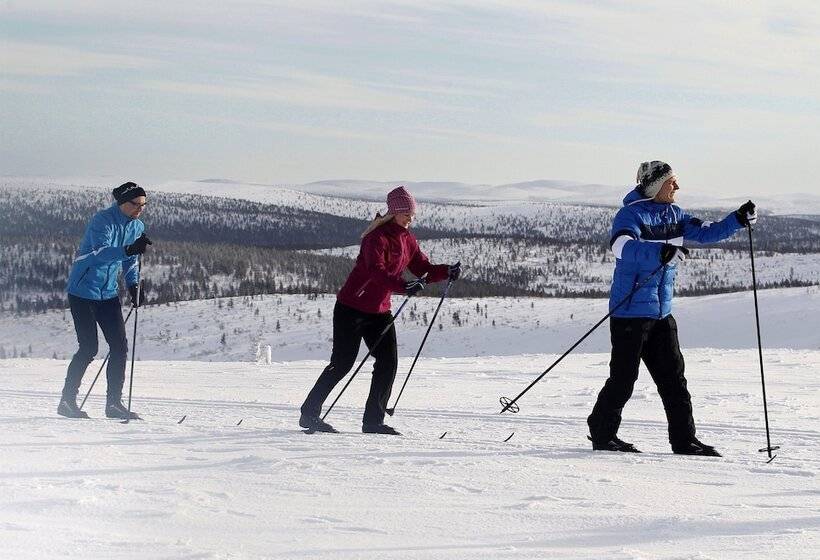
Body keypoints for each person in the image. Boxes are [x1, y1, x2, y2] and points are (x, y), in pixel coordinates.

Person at [586, 161, 757, 456]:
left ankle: (684, 440)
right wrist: (660, 251)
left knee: (674, 379)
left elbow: (707, 232)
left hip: (661, 313)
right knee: (624, 379)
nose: (676, 187)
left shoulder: (674, 214)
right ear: (655, 186)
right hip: (630, 313)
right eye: (671, 182)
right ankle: (602, 433)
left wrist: (737, 219)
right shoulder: (630, 215)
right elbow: (621, 246)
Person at [299, 186, 461, 435]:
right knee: (342, 363)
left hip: (379, 310)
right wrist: (404, 286)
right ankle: (309, 413)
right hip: (351, 308)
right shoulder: (376, 238)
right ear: (394, 212)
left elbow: (421, 267)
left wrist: (445, 271)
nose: (411, 218)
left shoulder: (407, 238)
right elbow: (377, 272)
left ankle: (373, 422)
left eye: (412, 214)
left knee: (388, 362)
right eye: (407, 213)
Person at [57, 182, 153, 419]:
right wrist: (129, 249)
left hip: (108, 293)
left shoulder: (137, 225)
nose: (140, 209)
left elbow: (129, 261)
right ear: (122, 202)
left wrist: (133, 285)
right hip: (83, 292)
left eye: (143, 205)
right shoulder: (102, 221)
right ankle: (67, 402)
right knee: (89, 348)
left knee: (120, 347)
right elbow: (100, 253)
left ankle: (114, 405)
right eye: (135, 204)